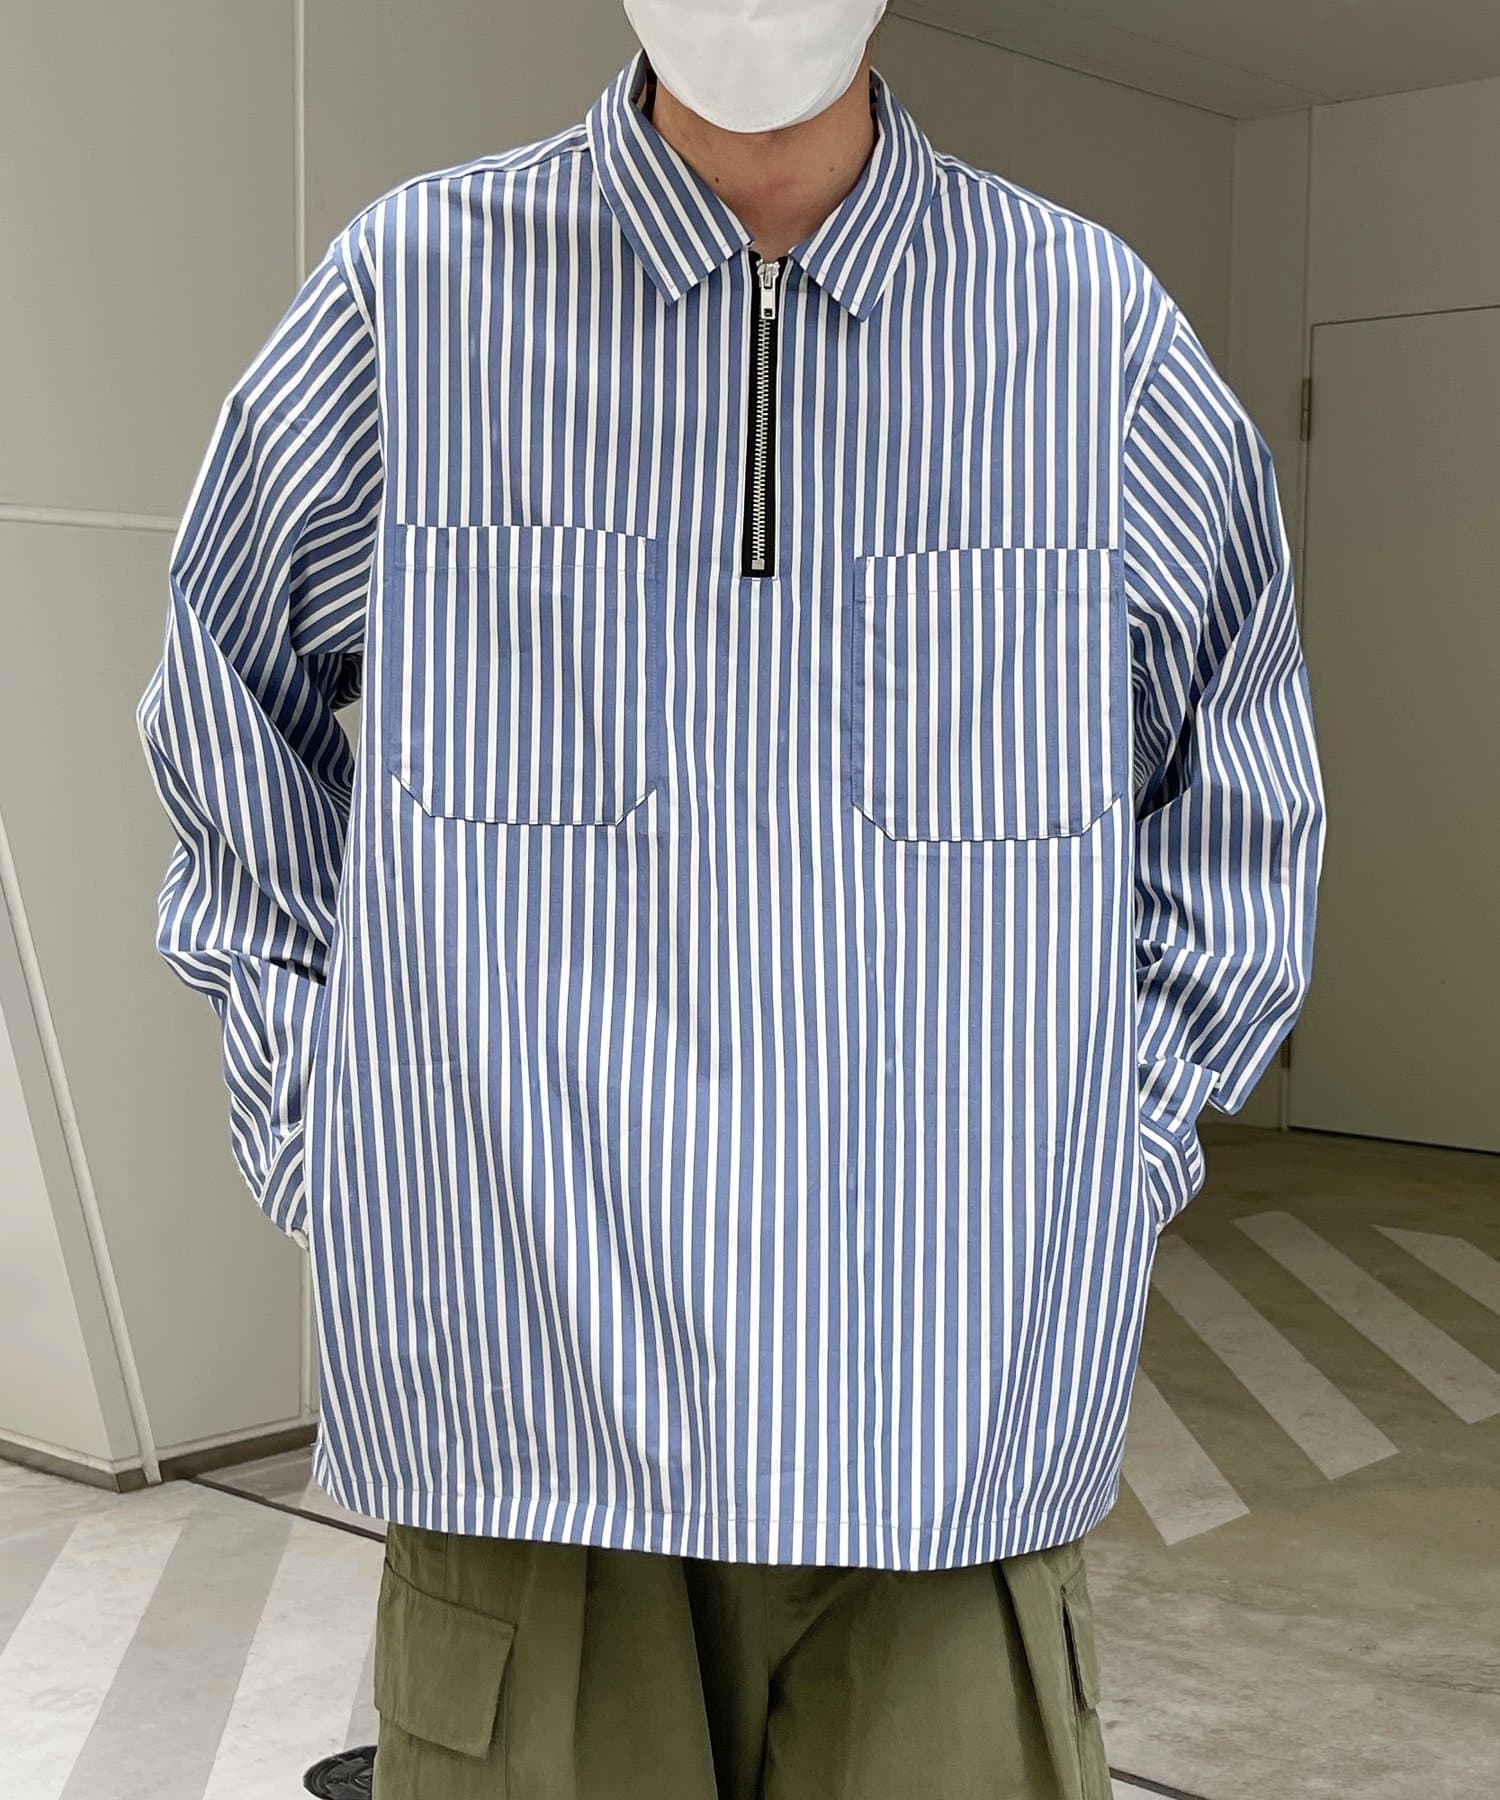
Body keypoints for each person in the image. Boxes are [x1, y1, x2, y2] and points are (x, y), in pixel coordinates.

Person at [135, 1, 1326, 1794]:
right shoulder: (419, 297)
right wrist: (342, 1130)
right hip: (524, 1421)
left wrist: (1103, 1160)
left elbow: (1239, 813)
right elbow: (224, 704)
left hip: (945, 1433)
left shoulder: (1094, 339)